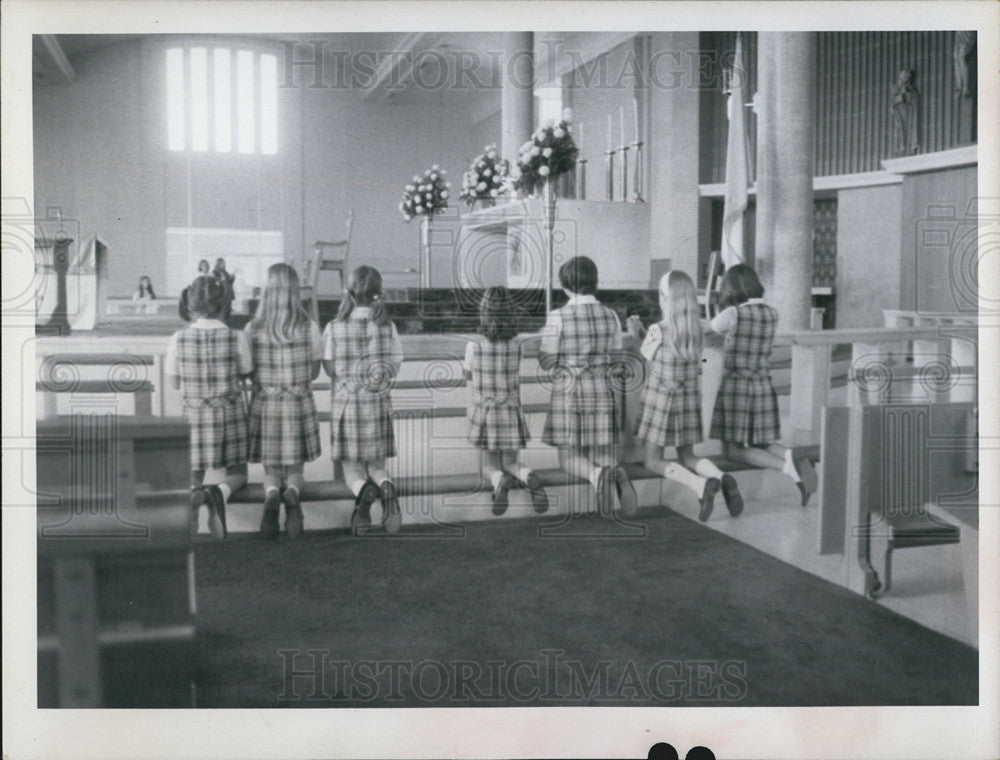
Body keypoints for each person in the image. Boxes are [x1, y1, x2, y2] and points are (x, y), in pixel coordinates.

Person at [627, 271, 742, 522]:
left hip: (661, 400)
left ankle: (699, 486)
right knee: (688, 455)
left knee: (653, 461)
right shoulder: (698, 328)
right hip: (688, 400)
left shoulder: (658, 329)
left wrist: (636, 333)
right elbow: (697, 356)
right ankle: (722, 478)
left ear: (665, 298)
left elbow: (642, 354)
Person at [707, 264, 817, 506]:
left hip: (737, 387)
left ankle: (789, 468)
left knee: (732, 450)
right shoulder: (771, 313)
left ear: (732, 288)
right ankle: (792, 456)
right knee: (762, 441)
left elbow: (708, 328)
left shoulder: (732, 314)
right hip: (762, 386)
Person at [540, 256, 636, 517]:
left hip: (571, 392)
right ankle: (615, 472)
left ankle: (597, 475)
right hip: (603, 392)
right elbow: (616, 357)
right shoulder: (610, 316)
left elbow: (548, 361)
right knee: (603, 452)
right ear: (594, 282)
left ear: (566, 285)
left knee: (568, 458)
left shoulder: (558, 316)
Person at [165, 275, 252, 539]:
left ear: (190, 306)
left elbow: (174, 382)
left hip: (194, 416)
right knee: (238, 473)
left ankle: (195, 494)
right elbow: (247, 371)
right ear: (226, 304)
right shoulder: (235, 337)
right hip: (229, 416)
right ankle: (219, 493)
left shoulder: (178, 338)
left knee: (193, 472)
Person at [323, 265, 403, 534]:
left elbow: (330, 369)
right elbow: (394, 368)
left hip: (348, 404)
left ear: (350, 292)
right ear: (378, 294)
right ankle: (385, 485)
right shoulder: (387, 326)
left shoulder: (334, 328)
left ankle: (362, 489)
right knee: (378, 466)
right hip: (377, 403)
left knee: (352, 469)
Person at [245, 263, 323, 540]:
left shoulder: (252, 328)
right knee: (295, 469)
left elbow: (248, 369)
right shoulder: (309, 327)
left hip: (265, 406)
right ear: (294, 291)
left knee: (271, 469)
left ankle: (270, 497)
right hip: (297, 404)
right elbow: (314, 371)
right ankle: (292, 495)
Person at [464, 287, 547, 516]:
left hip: (486, 413)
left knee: (487, 466)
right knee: (511, 461)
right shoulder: (517, 345)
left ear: (484, 313)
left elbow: (469, 376)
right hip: (510, 410)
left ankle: (498, 480)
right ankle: (528, 475)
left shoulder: (474, 346)